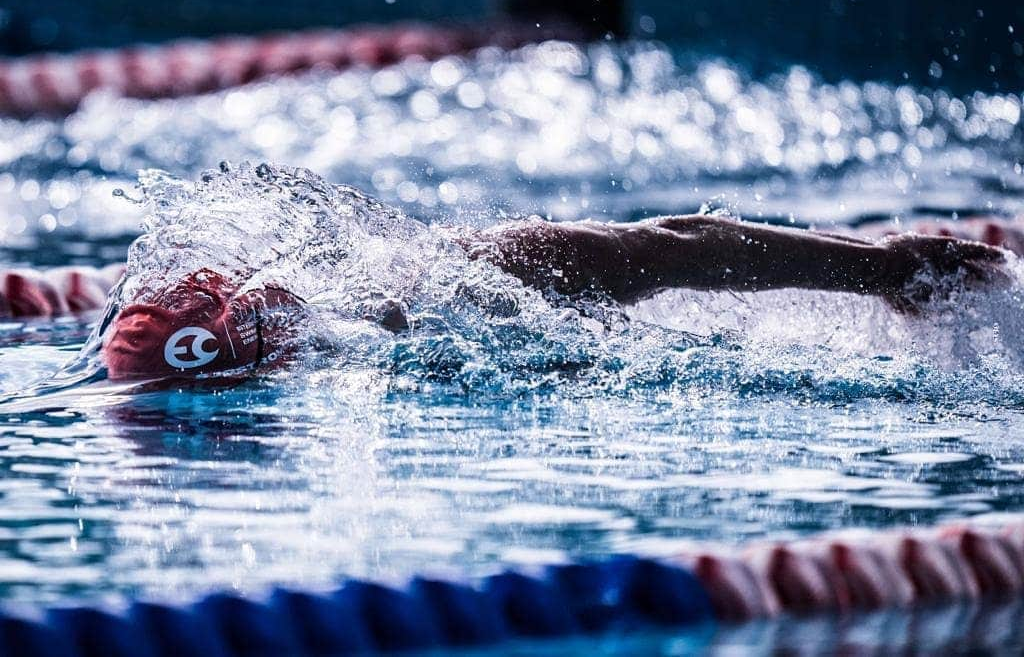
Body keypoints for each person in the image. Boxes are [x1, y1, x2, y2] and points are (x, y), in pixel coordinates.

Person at [101, 213, 1009, 381]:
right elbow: (675, 247)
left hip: (459, 309)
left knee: (641, 257)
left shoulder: (410, 286)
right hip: (460, 318)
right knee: (648, 255)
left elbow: (672, 250)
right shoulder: (381, 302)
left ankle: (889, 270)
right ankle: (888, 271)